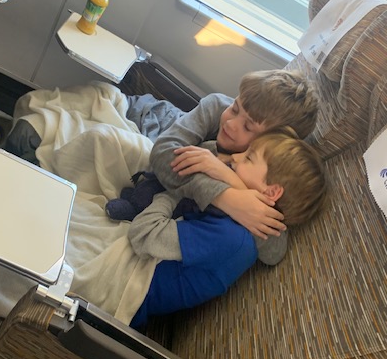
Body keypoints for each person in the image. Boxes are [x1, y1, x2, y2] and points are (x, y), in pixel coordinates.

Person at [111, 69, 318, 264]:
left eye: (248, 127)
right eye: (235, 108)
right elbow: (162, 154)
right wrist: (224, 197)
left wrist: (236, 186)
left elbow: (274, 251)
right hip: (159, 119)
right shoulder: (216, 106)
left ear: (271, 142)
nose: (230, 123)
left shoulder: (257, 170)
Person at [128, 126, 326, 327]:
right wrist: (229, 182)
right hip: (138, 262)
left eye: (249, 158)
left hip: (129, 285)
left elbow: (143, 235)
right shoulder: (236, 221)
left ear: (271, 192)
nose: (235, 157)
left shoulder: (232, 238)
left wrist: (180, 189)